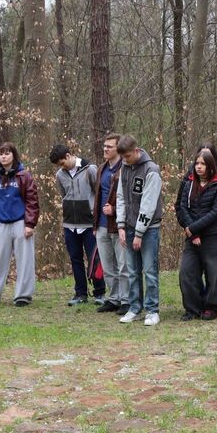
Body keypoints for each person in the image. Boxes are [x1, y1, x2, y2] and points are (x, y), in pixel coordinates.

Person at [0, 142, 39, 307]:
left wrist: (30, 224)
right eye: (1, 154)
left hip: (20, 222)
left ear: (14, 155)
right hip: (1, 223)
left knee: (25, 261)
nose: (3, 156)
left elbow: (32, 200)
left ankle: (23, 296)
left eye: (7, 153)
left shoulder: (24, 175)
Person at [115, 135, 164, 326]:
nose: (125, 160)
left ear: (136, 151)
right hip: (127, 226)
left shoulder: (151, 170)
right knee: (132, 270)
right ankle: (134, 307)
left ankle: (152, 310)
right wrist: (120, 225)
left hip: (148, 229)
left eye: (127, 156)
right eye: (123, 157)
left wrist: (139, 233)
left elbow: (149, 204)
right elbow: (120, 197)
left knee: (149, 270)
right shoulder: (124, 168)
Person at [50, 143, 105, 306]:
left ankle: (100, 292)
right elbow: (63, 194)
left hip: (88, 224)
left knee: (94, 258)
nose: (61, 167)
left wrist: (97, 218)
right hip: (69, 224)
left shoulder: (90, 170)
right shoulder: (60, 175)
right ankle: (80, 293)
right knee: (75, 259)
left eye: (62, 163)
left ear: (68, 156)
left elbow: (99, 193)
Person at [176, 149, 217, 320]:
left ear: (210, 166)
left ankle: (211, 307)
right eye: (196, 163)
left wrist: (194, 228)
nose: (198, 167)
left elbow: (216, 212)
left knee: (214, 274)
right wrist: (192, 233)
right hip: (192, 237)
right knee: (187, 272)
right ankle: (192, 308)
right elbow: (182, 207)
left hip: (213, 237)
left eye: (203, 164)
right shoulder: (189, 183)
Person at [92, 133, 129, 314]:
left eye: (110, 146)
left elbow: (130, 199)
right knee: (107, 266)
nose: (106, 149)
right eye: (104, 146)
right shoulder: (101, 169)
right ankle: (113, 298)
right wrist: (95, 224)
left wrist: (114, 211)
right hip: (101, 225)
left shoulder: (126, 168)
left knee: (123, 265)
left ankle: (126, 300)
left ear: (119, 149)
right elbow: (97, 197)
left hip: (118, 225)